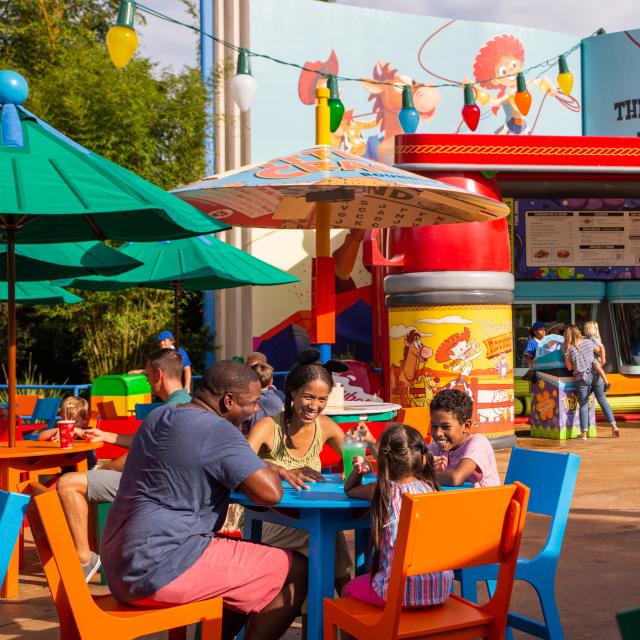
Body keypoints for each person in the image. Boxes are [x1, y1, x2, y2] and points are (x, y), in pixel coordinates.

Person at [101, 360, 307, 640]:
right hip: (161, 566)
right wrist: (264, 465)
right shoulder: (218, 430)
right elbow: (270, 493)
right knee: (296, 569)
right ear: (228, 401)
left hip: (120, 562)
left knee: (246, 567)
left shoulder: (161, 415)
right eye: (253, 402)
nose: (257, 410)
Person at [56, 348, 191, 581]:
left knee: (67, 483)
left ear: (158, 374)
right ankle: (94, 552)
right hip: (164, 483)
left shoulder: (168, 411)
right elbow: (144, 441)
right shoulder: (183, 404)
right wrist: (105, 436)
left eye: (148, 376)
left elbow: (140, 454)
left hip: (150, 486)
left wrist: (107, 468)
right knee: (89, 479)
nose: (147, 382)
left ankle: (85, 558)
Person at [247, 356, 373, 594]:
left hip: (311, 520)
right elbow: (240, 463)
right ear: (293, 393)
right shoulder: (267, 426)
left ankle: (336, 611)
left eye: (322, 399)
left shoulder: (324, 426)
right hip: (272, 520)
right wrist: (280, 470)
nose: (314, 406)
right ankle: (347, 604)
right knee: (327, 538)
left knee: (325, 533)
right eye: (308, 397)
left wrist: (360, 457)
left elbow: (355, 457)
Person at [341, 424, 453, 608]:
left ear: (383, 460)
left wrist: (360, 471)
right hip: (439, 590)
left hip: (395, 593)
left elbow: (350, 489)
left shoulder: (382, 491)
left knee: (348, 590)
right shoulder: (432, 489)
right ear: (422, 459)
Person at [427, 389, 500, 487]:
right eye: (434, 426)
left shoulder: (478, 443)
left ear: (466, 426)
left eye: (446, 427)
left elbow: (456, 478)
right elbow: (410, 462)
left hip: (486, 501)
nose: (438, 433)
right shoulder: (437, 447)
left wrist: (425, 473)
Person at [563, 324, 619, 439]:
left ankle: (583, 434)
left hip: (582, 379)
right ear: (578, 332)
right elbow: (599, 351)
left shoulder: (569, 350)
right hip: (596, 375)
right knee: (603, 401)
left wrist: (567, 354)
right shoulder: (588, 342)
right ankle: (614, 426)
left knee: (583, 405)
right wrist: (601, 361)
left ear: (567, 335)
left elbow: (569, 368)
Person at [244, 362, 284, 433]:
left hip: (253, 437)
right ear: (271, 381)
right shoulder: (279, 395)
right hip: (275, 437)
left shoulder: (247, 399)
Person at [582, 320, 611, 390]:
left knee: (596, 366)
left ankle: (606, 382)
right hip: (591, 357)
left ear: (589, 330)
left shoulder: (594, 339)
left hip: (596, 357)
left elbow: (602, 347)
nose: (584, 330)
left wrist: (603, 358)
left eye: (586, 329)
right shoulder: (586, 338)